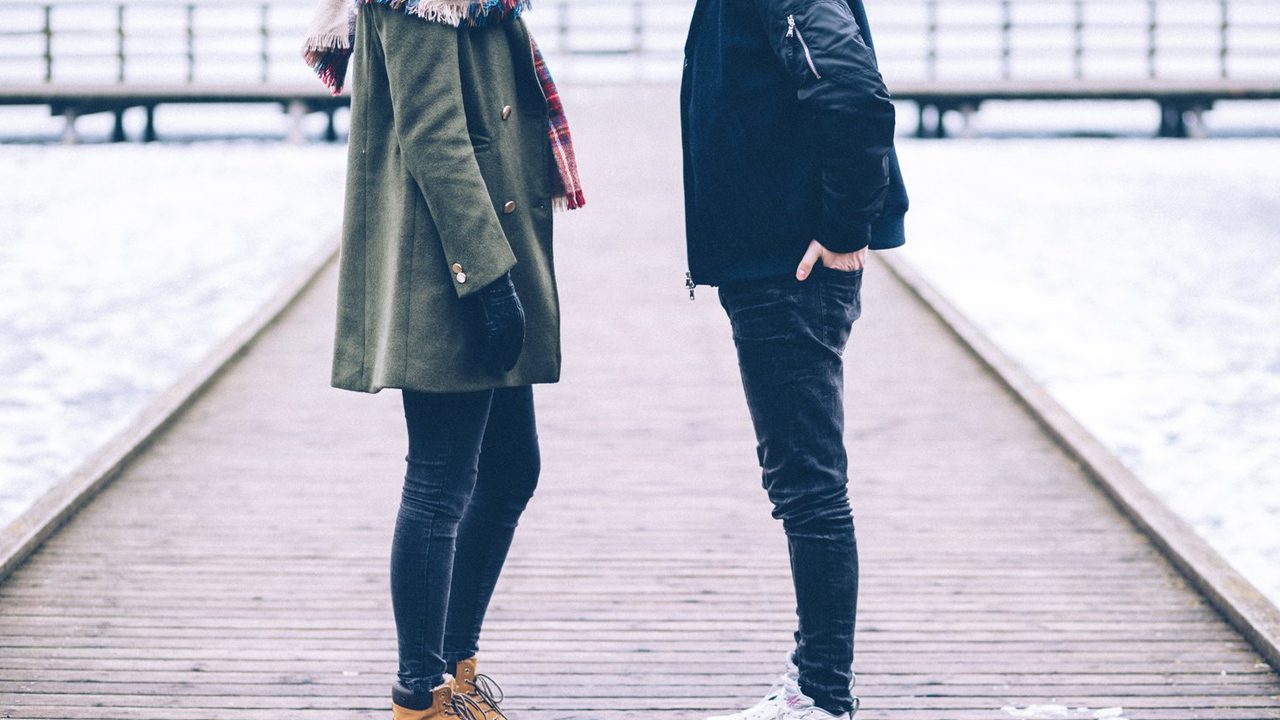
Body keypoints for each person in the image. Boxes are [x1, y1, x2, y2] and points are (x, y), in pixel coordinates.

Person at [301, 1, 584, 718]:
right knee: (440, 479)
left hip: (485, 245)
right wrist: (486, 278)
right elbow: (433, 132)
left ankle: (454, 674)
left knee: (511, 467)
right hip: (450, 263)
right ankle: (419, 695)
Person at [680, 0, 908, 718]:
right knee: (802, 480)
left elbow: (855, 95)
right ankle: (816, 680)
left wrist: (844, 228)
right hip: (769, 260)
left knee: (807, 485)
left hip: (790, 267)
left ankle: (822, 695)